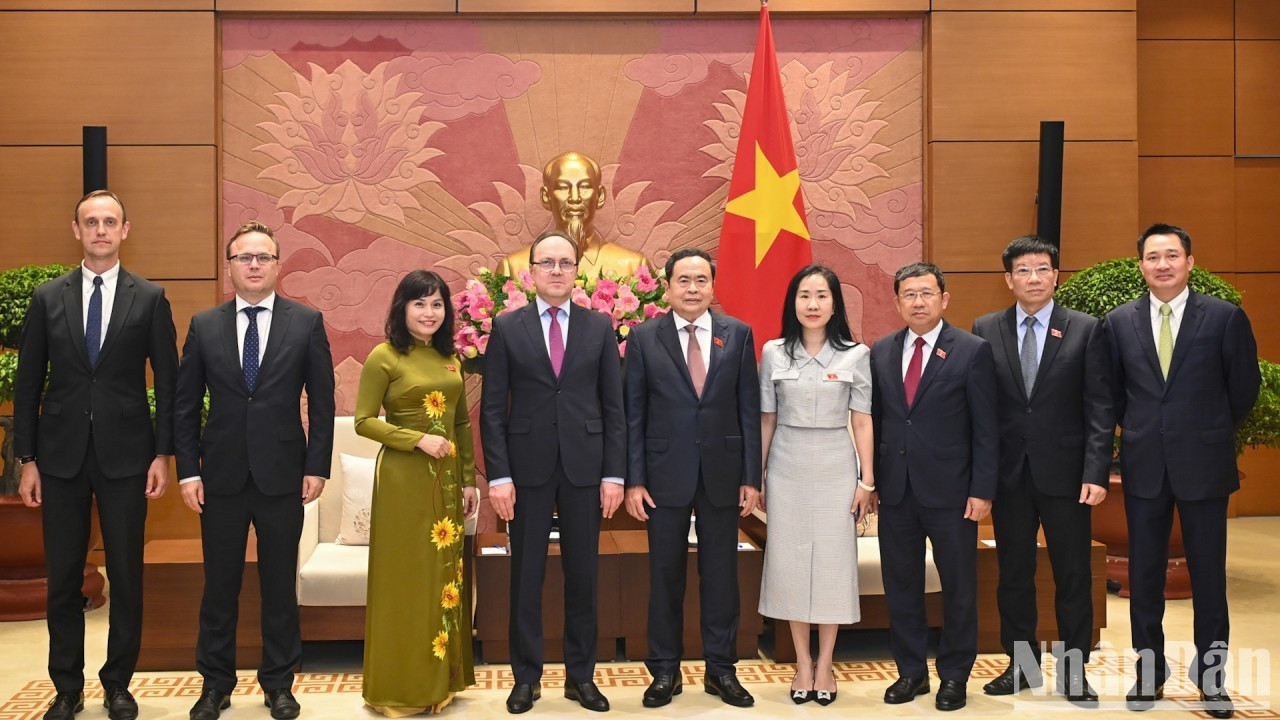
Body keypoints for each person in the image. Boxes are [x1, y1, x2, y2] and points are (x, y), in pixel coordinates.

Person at [14, 190, 178, 720]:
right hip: (58, 458)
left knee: (127, 574)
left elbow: (169, 385)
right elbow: (27, 382)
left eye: (110, 221)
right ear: (76, 230)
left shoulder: (149, 298)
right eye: (92, 222)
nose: (101, 230)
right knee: (63, 576)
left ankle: (118, 685)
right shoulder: (47, 297)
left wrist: (162, 453)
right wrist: (27, 459)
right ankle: (66, 687)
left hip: (129, 457)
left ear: (125, 230)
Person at [174, 221, 335, 720]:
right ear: (230, 266)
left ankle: (279, 684)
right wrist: (187, 471)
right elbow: (184, 406)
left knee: (279, 584)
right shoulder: (205, 325)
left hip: (283, 473)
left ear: (277, 264)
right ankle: (215, 684)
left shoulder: (306, 322)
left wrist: (318, 467)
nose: (254, 265)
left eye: (263, 257)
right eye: (244, 257)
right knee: (219, 584)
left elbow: (324, 403)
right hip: (218, 474)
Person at [1105, 224, 1259, 719]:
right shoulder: (1118, 322)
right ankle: (1149, 675)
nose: (1163, 264)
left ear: (1190, 262)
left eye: (1172, 255)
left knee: (1209, 579)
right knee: (1144, 576)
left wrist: (1206, 430)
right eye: (1153, 257)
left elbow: (1243, 389)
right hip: (1144, 465)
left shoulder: (1224, 317)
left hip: (1205, 465)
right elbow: (1111, 394)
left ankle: (1212, 680)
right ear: (1141, 266)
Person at [480, 230, 626, 714]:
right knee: (527, 575)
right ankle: (526, 678)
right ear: (532, 271)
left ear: (576, 269)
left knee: (583, 575)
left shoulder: (599, 326)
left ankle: (581, 678)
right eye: (548, 263)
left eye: (566, 262)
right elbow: (493, 410)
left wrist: (614, 474)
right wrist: (498, 477)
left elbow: (614, 406)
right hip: (526, 471)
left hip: (587, 469)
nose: (557, 270)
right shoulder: (507, 326)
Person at [972, 236, 1114, 706]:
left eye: (1042, 269)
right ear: (1008, 279)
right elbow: (984, 411)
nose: (1033, 278)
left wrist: (1096, 470)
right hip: (1010, 476)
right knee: (1014, 573)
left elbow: (1099, 406)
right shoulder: (985, 328)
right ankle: (1022, 666)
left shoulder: (1086, 329)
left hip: (1069, 475)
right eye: (1023, 270)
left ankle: (1075, 671)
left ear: (1057, 275)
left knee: (1073, 573)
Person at [623, 247, 762, 709]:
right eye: (684, 280)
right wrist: (635, 480)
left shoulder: (737, 334)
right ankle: (664, 670)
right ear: (668, 287)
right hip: (664, 476)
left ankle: (721, 670)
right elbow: (634, 414)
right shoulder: (644, 337)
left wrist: (751, 476)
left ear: (713, 286)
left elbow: (747, 407)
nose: (693, 288)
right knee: (665, 575)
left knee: (721, 576)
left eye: (701, 280)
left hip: (723, 474)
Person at [869, 262, 997, 712]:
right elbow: (880, 423)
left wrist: (982, 489)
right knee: (900, 586)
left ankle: (955, 675)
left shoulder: (971, 350)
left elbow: (986, 428)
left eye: (926, 293)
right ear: (898, 301)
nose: (918, 302)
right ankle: (910, 673)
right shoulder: (881, 351)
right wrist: (872, 482)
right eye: (909, 294)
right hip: (897, 491)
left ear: (944, 299)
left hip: (953, 493)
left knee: (959, 586)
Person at [355, 270, 479, 716]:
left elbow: (461, 424)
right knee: (404, 582)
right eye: (419, 304)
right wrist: (415, 439)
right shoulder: (383, 357)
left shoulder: (451, 359)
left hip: (444, 486)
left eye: (437, 304)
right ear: (401, 308)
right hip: (403, 482)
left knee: (441, 580)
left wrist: (468, 479)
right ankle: (400, 690)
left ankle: (439, 682)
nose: (429, 313)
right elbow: (364, 421)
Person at [758, 265, 876, 706]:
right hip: (786, 463)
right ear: (793, 303)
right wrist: (760, 475)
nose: (812, 304)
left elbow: (862, 420)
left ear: (835, 303)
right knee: (789, 563)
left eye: (822, 296)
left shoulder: (855, 354)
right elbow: (766, 418)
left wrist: (867, 480)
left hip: (834, 464)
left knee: (831, 564)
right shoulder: (773, 352)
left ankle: (825, 661)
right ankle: (801, 664)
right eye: (804, 296)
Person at [498, 151, 650, 280]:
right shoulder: (513, 268)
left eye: (584, 187)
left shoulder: (634, 267)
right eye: (563, 188)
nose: (575, 198)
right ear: (546, 197)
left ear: (600, 196)